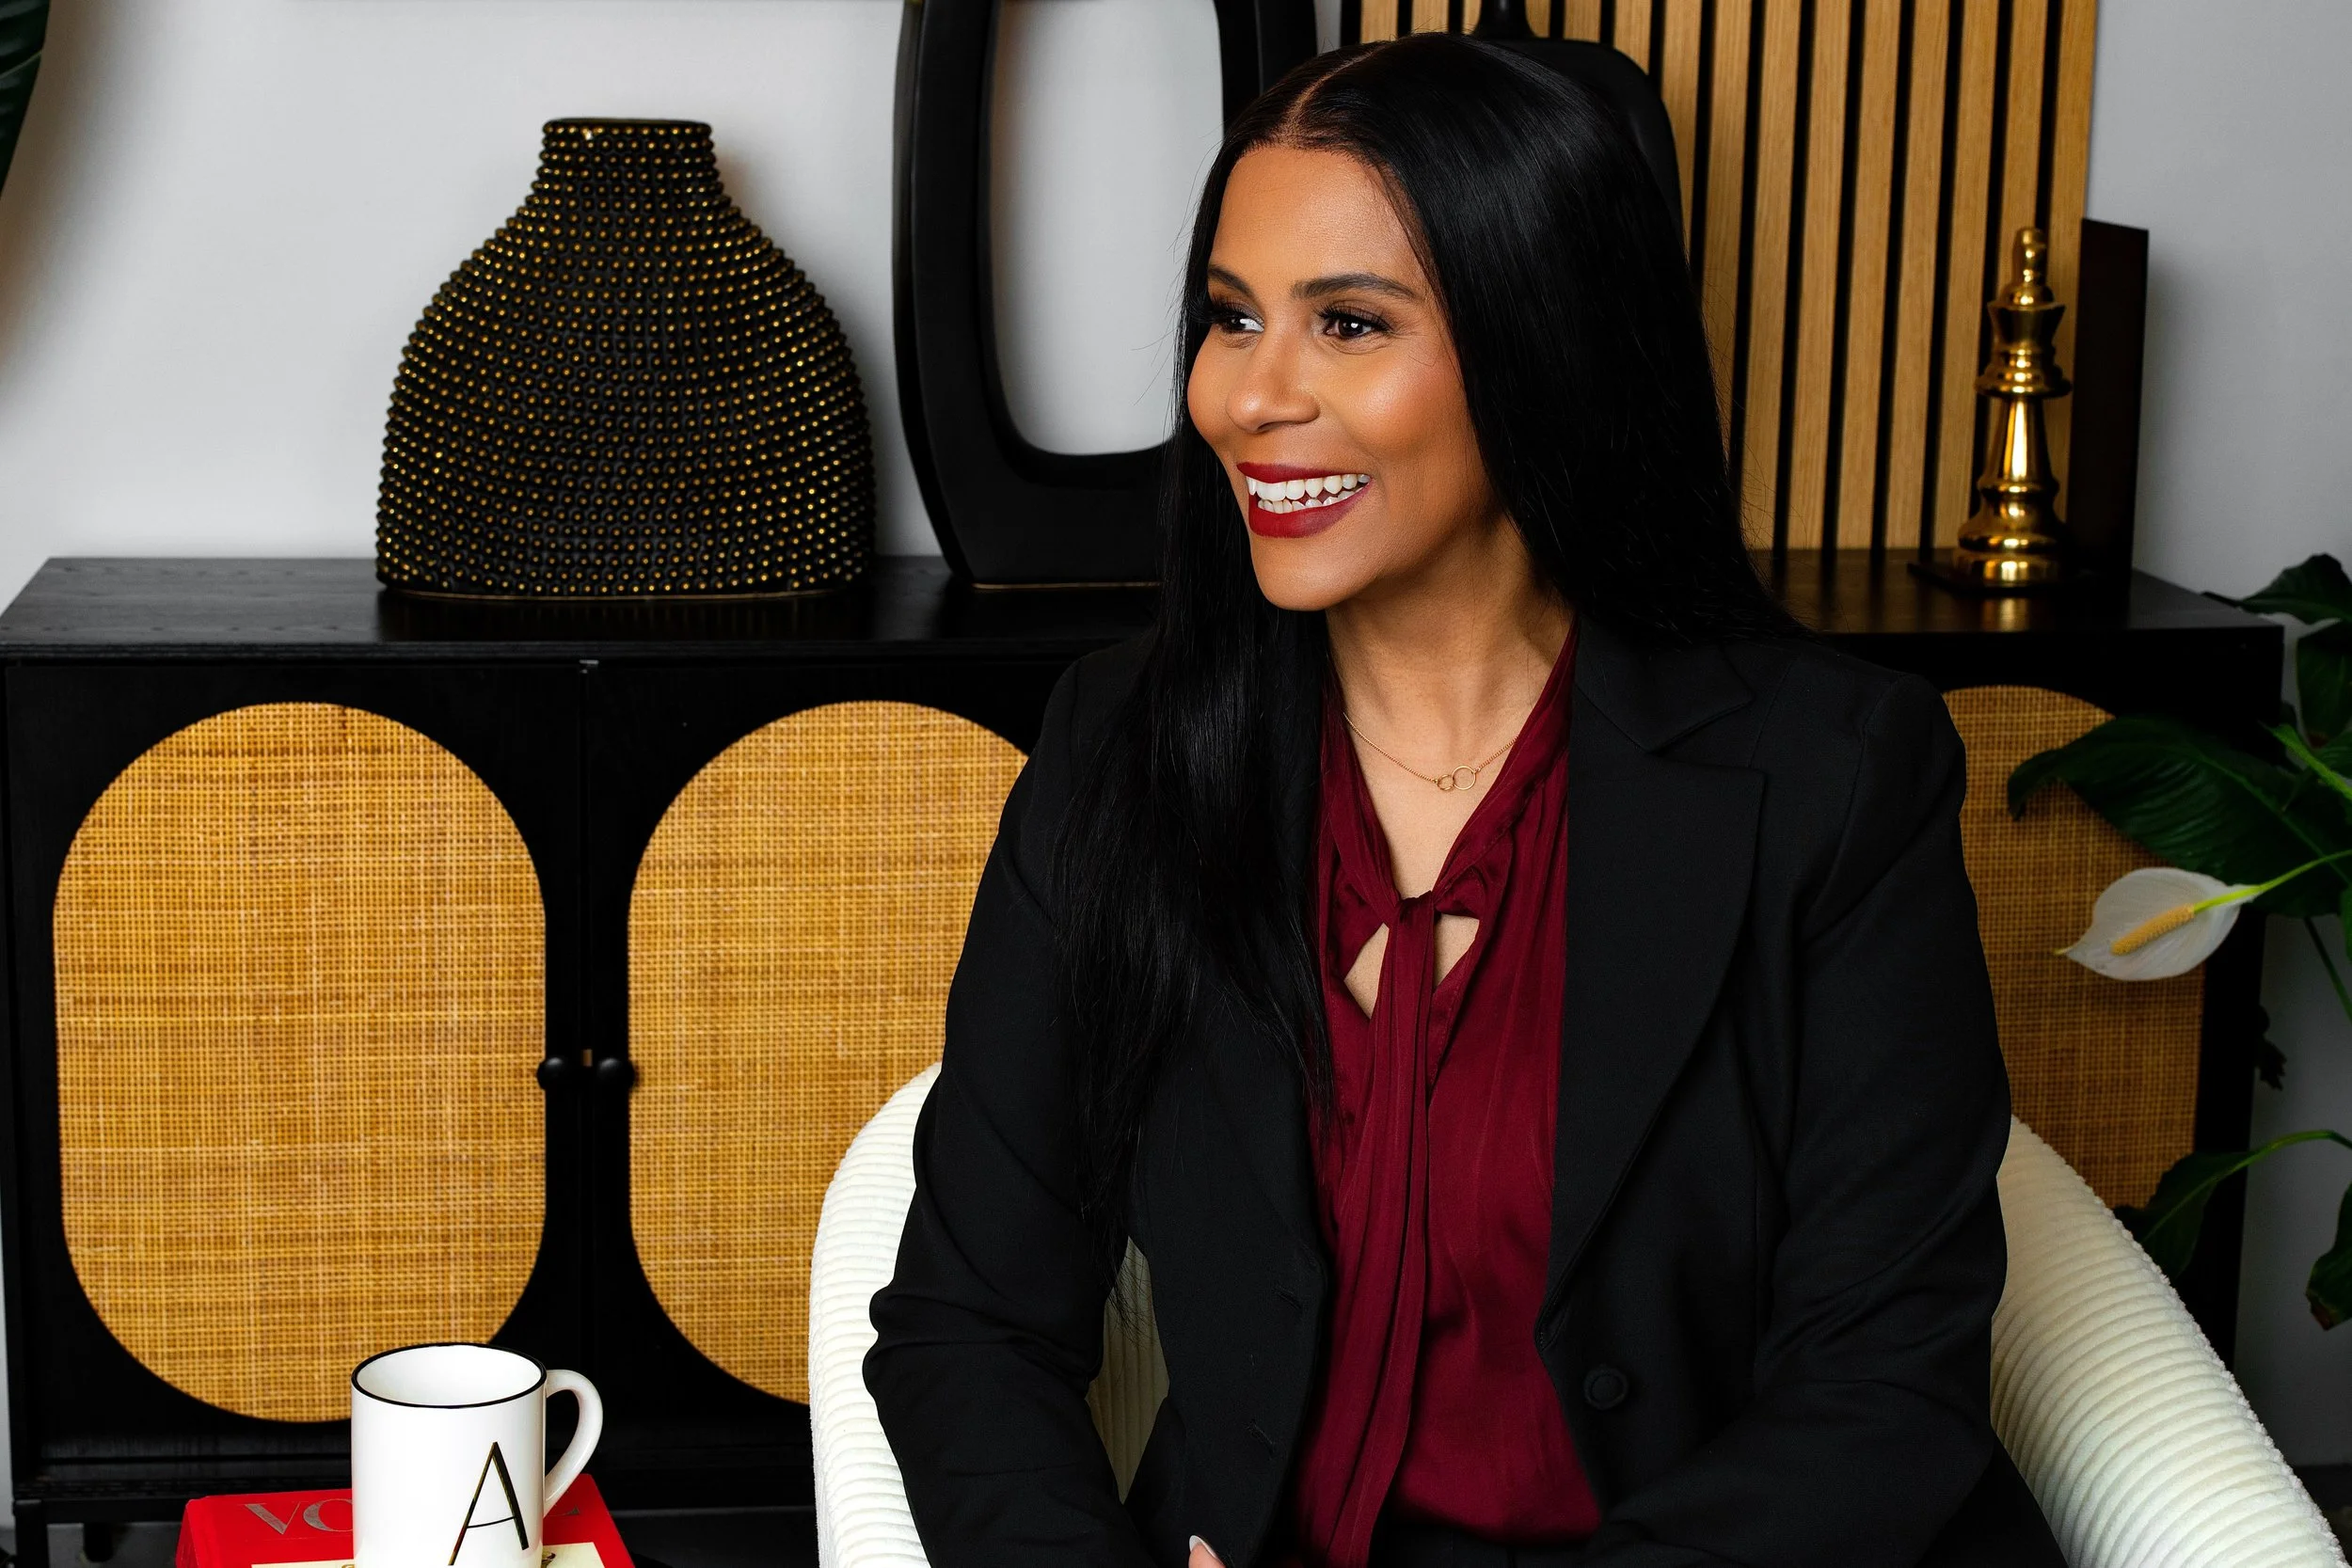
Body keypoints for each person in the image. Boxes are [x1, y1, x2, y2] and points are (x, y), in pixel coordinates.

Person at [866, 34, 2062, 1568]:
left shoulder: (1836, 774)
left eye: (1348, 324)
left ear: (1539, 342)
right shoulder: (1125, 750)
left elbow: (1885, 1389)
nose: (1248, 395)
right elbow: (969, 1325)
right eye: (1231, 319)